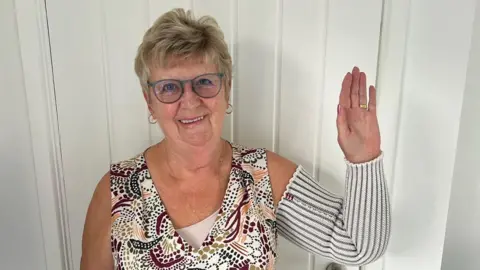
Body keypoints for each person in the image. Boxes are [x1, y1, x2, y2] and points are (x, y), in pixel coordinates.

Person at [80, 8, 391, 270]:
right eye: (170, 88)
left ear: (226, 88)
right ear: (150, 101)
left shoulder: (263, 176)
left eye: (204, 82)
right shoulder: (115, 192)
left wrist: (364, 159)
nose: (190, 101)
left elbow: (357, 246)